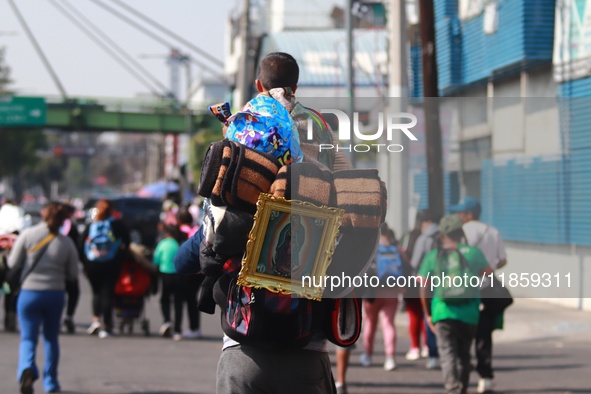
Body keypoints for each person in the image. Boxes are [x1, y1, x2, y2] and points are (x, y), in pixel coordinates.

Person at [178, 52, 356, 394]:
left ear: (259, 85)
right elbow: (348, 197)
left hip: (243, 355)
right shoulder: (320, 128)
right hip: (308, 355)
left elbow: (182, 261)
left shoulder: (236, 201)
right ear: (296, 86)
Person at [7, 201, 79, 394]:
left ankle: (26, 369)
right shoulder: (66, 242)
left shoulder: (28, 235)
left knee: (28, 338)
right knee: (50, 339)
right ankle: (51, 383)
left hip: (29, 293)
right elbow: (73, 273)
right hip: (55, 294)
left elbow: (13, 262)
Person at [418, 214, 491, 394]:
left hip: (443, 311)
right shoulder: (474, 253)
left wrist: (428, 313)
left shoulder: (434, 256)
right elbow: (488, 275)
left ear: (442, 234)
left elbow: (423, 287)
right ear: (461, 232)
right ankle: (463, 388)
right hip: (469, 313)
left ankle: (452, 389)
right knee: (464, 355)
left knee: (448, 355)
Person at [450, 197, 508, 394]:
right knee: (484, 335)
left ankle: (460, 373)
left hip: (464, 289)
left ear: (469, 214)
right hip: (487, 289)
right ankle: (486, 377)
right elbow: (503, 260)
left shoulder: (461, 233)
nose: (458, 216)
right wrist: (489, 268)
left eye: (460, 212)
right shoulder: (493, 232)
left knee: (462, 332)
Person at [81, 199, 130, 339]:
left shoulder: (92, 224)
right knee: (107, 292)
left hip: (92, 263)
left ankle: (96, 320)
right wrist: (120, 256)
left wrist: (85, 263)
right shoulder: (117, 224)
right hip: (111, 263)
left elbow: (81, 243)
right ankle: (107, 326)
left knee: (96, 292)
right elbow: (127, 242)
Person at [359, 224, 403, 372]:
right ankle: (390, 358)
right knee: (389, 324)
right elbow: (406, 268)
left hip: (372, 291)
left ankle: (367, 355)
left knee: (370, 323)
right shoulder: (395, 248)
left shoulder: (371, 246)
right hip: (391, 291)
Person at [409, 209, 441, 369]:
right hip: (446, 282)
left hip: (428, 283)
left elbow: (415, 263)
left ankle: (433, 354)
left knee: (429, 316)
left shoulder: (424, 238)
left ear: (426, 222)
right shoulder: (445, 235)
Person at [153, 224, 183, 341]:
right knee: (178, 302)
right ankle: (177, 329)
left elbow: (156, 261)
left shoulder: (162, 244)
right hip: (179, 275)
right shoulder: (178, 244)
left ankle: (167, 321)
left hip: (165, 274)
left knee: (165, 299)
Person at [177, 208, 203, 339]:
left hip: (188, 270)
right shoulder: (197, 230)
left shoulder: (181, 231)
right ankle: (195, 327)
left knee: (188, 299)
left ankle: (191, 327)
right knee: (194, 298)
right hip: (201, 269)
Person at [60, 203, 81, 334]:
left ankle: (59, 317)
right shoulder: (71, 227)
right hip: (66, 267)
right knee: (73, 291)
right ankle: (68, 316)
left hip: (52, 270)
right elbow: (77, 248)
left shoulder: (49, 228)